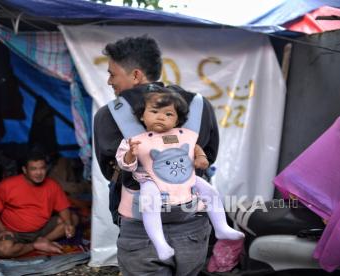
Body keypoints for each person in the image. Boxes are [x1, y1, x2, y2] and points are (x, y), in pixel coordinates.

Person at [93, 35, 219, 275]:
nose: (109, 81)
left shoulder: (108, 116)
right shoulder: (199, 105)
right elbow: (208, 156)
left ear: (136, 75)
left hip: (141, 230)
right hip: (192, 227)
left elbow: (111, 171)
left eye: (112, 74)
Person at [116, 86, 244, 261]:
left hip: (186, 178)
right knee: (149, 201)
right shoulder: (134, 140)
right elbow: (125, 165)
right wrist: (131, 153)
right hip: (151, 181)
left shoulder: (184, 135)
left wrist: (201, 157)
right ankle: (160, 243)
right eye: (154, 111)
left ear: (177, 120)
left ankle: (221, 227)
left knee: (210, 191)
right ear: (141, 115)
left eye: (169, 114)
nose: (161, 116)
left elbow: (195, 147)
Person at [0, 150, 79, 258]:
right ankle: (35, 245)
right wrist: (2, 230)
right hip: (15, 232)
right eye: (33, 169)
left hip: (43, 229)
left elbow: (63, 207)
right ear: (24, 170)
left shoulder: (52, 185)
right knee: (2, 250)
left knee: (73, 219)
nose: (39, 173)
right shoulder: (7, 185)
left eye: (42, 168)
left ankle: (44, 240)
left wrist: (68, 223)